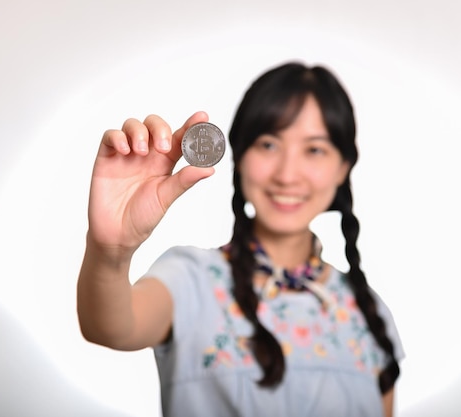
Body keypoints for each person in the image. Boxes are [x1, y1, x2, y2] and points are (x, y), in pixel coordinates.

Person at [77, 62, 404, 417]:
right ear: (239, 156)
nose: (287, 174)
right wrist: (110, 251)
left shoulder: (369, 314)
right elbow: (110, 328)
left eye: (314, 150)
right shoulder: (191, 279)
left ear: (343, 167)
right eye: (268, 144)